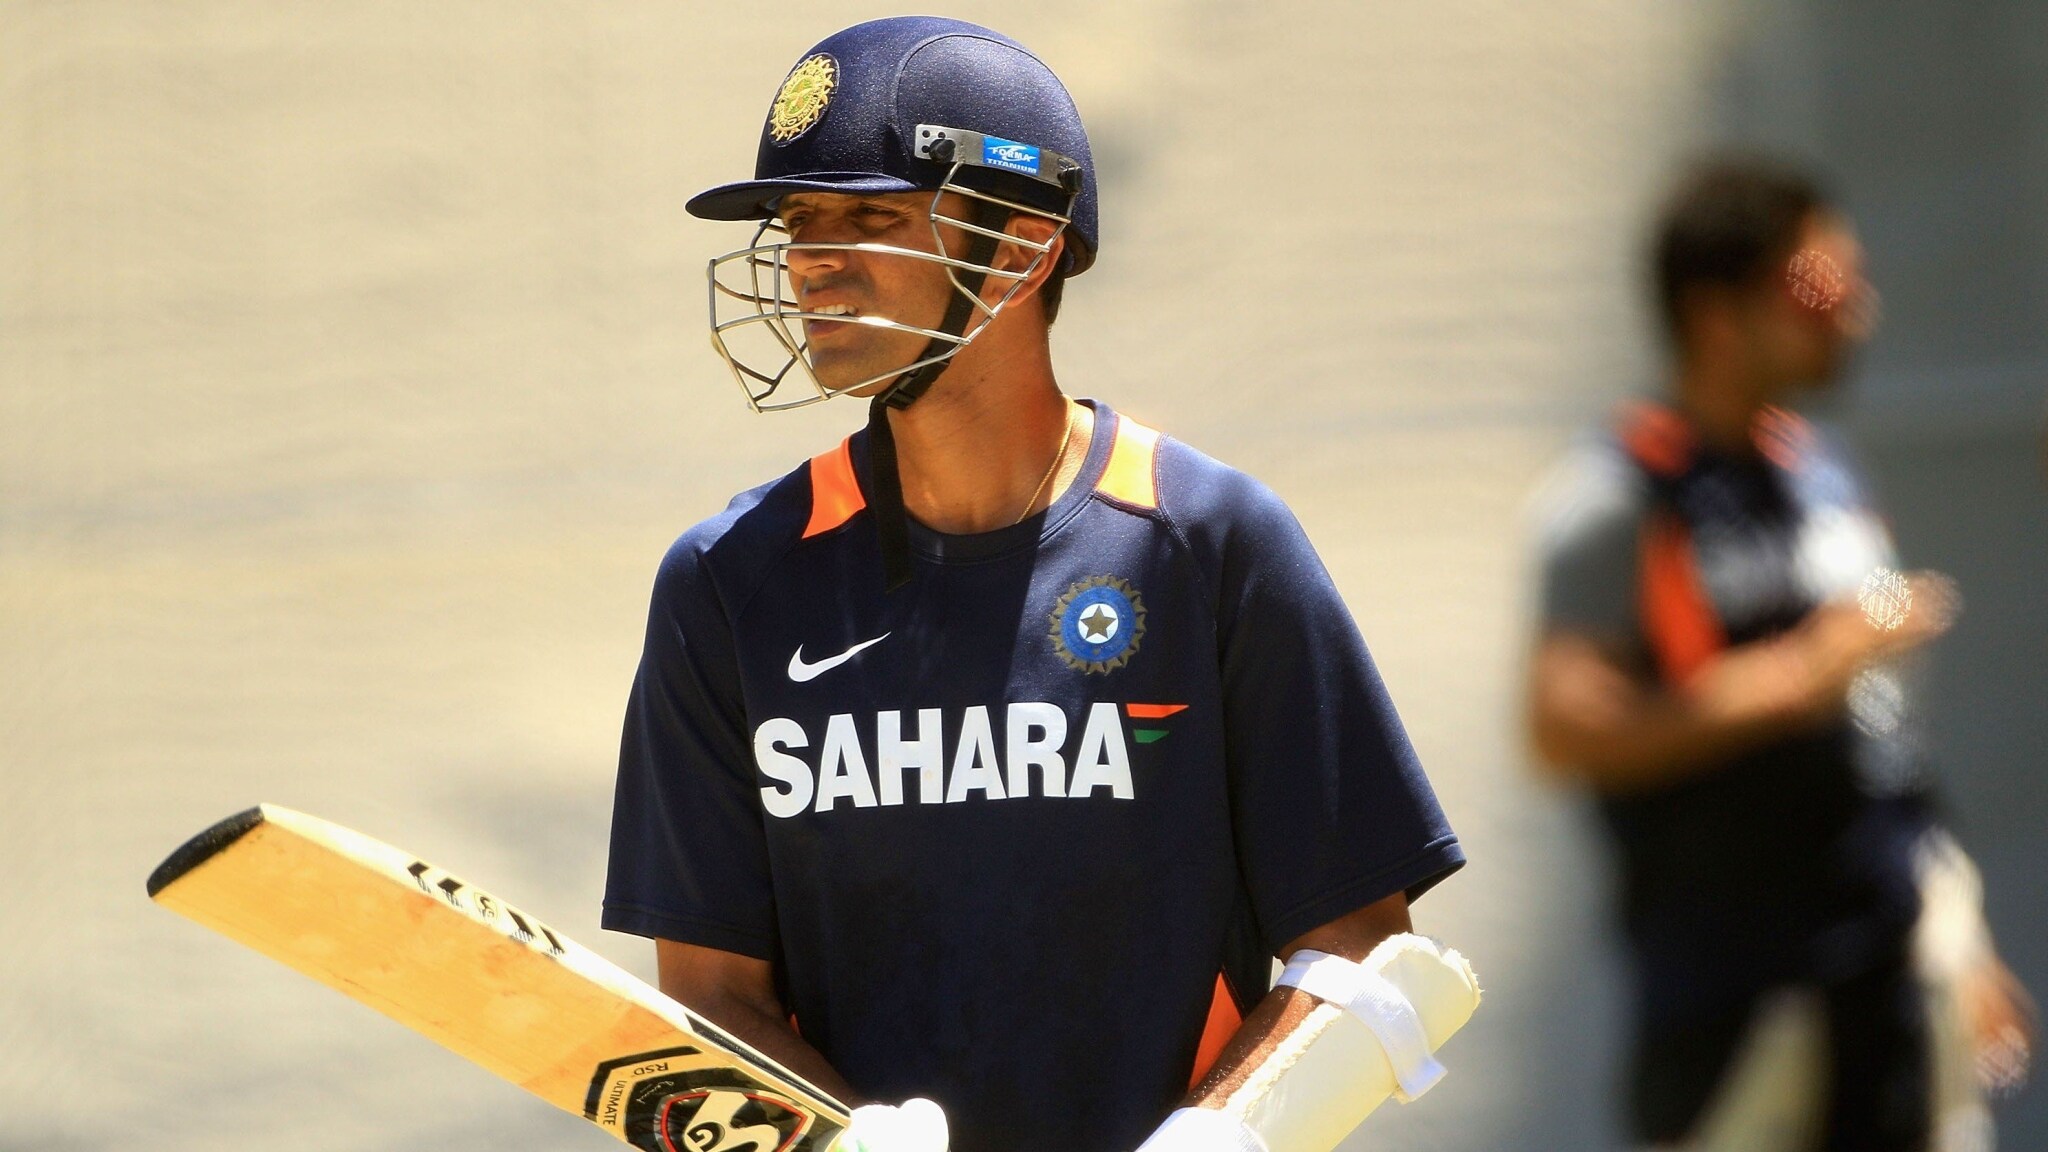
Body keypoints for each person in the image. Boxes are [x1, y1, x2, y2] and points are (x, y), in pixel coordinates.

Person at [602, 17, 1471, 1152]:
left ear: (1021, 248)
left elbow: (1357, 943)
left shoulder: (1210, 545)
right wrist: (842, 1140)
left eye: (869, 216)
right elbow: (711, 997)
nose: (811, 259)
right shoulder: (728, 583)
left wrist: (1221, 1139)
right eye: (798, 221)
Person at [1527, 158, 2034, 1151]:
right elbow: (1564, 725)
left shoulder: (1821, 471)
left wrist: (1955, 934)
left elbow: (1882, 736)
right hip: (1733, 1001)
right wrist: (1806, 669)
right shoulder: (1615, 498)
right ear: (1716, 314)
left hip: (1889, 976)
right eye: (1816, 282)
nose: (1853, 303)